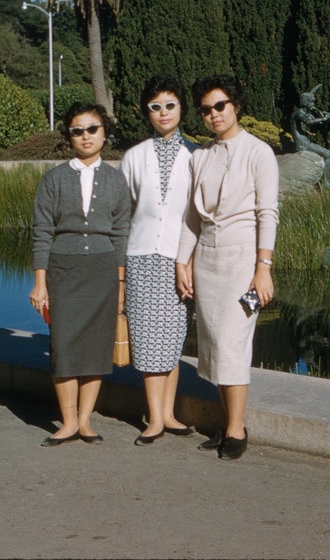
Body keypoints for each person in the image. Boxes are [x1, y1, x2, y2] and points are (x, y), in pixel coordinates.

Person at [175, 75, 279, 461]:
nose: (214, 114)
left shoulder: (259, 152)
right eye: (206, 109)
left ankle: (237, 428)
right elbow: (192, 219)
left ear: (236, 105)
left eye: (220, 105)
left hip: (242, 260)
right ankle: (226, 421)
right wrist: (181, 262)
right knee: (215, 345)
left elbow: (268, 213)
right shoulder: (200, 157)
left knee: (234, 344)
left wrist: (263, 267)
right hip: (207, 259)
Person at [30, 102, 131, 447]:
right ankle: (67, 422)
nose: (86, 136)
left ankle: (86, 421)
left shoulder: (117, 180)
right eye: (78, 130)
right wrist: (40, 282)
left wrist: (120, 285)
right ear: (69, 136)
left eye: (93, 128)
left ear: (104, 132)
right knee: (63, 346)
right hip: (64, 269)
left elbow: (121, 234)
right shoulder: (54, 178)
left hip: (102, 270)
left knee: (95, 348)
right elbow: (42, 231)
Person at [119, 75, 198, 446]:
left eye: (170, 105)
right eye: (155, 106)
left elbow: (199, 214)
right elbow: (124, 212)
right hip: (141, 257)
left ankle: (168, 413)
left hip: (181, 259)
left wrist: (191, 261)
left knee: (173, 337)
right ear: (146, 111)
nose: (163, 113)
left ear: (181, 108)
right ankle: (153, 418)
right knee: (149, 338)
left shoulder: (198, 156)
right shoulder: (134, 156)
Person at [290, 84, 330, 187]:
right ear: (305, 102)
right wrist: (323, 119)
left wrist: (321, 115)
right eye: (311, 101)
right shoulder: (299, 114)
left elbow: (315, 122)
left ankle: (324, 181)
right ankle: (326, 182)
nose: (313, 104)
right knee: (328, 154)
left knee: (327, 154)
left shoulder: (305, 112)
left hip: (306, 143)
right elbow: (310, 122)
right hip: (303, 145)